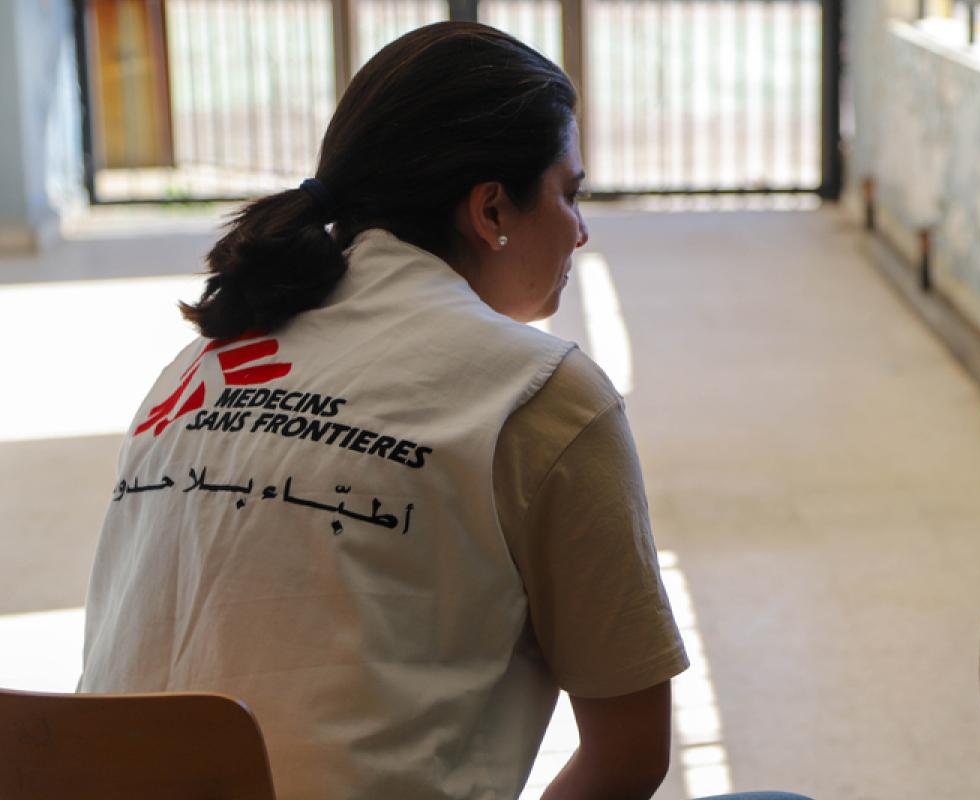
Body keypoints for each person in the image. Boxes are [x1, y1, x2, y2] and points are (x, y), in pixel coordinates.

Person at [79, 23, 693, 799]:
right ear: (492, 210)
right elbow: (630, 755)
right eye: (569, 194)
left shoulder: (200, 364)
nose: (580, 228)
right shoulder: (537, 392)